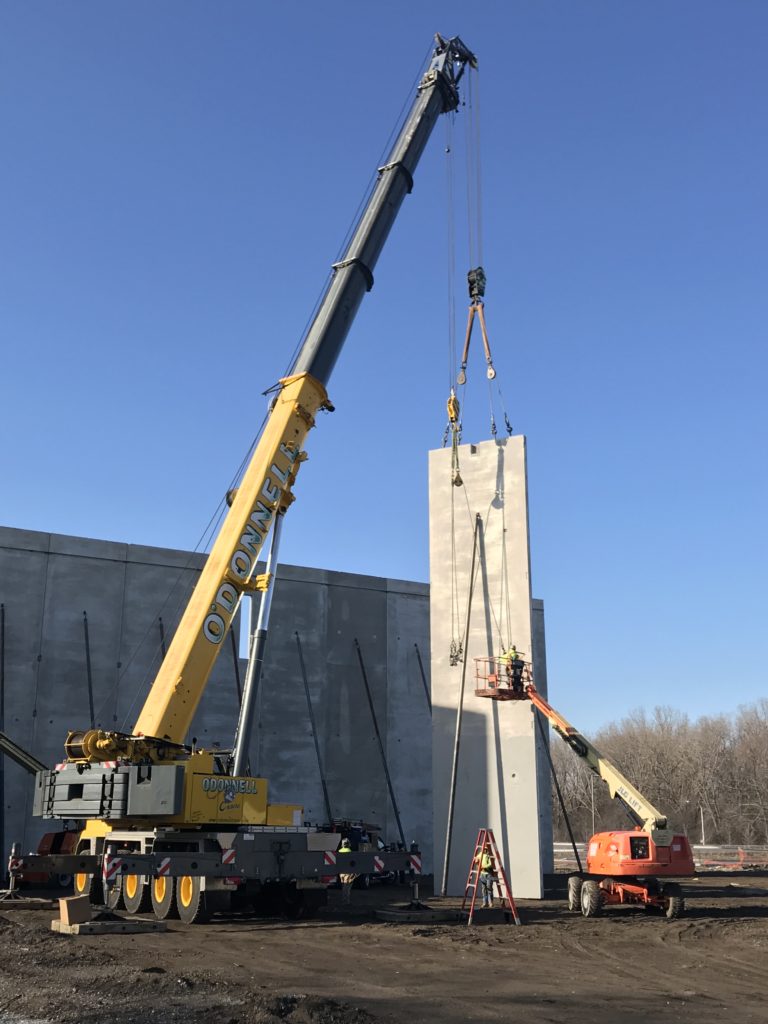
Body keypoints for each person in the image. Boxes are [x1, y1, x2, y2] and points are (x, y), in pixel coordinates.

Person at [474, 842, 495, 908]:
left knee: (489, 888)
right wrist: (476, 860)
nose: (484, 850)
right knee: (484, 889)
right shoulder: (481, 854)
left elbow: (490, 864)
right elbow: (476, 858)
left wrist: (484, 867)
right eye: (484, 849)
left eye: (486, 849)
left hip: (489, 874)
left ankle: (491, 903)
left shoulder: (489, 855)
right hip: (482, 874)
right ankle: (485, 902)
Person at [338, 837, 357, 905]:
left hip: (341, 872)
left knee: (344, 886)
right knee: (348, 887)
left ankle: (343, 900)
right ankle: (346, 902)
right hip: (348, 872)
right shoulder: (349, 851)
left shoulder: (339, 851)